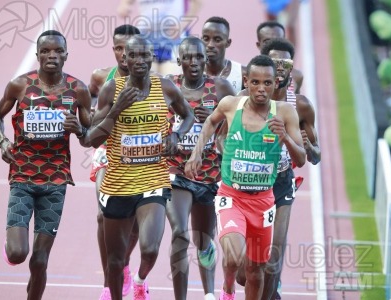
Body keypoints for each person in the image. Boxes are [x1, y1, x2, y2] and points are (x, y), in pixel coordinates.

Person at [78, 35, 195, 300]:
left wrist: (176, 135)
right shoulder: (111, 90)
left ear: (152, 57)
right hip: (118, 183)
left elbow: (188, 114)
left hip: (153, 180)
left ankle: (141, 280)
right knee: (116, 262)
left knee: (150, 248)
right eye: (134, 56)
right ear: (125, 59)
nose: (140, 61)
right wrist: (116, 109)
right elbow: (91, 139)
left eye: (145, 55)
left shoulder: (165, 87)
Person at [185, 55, 306, 300]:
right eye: (255, 82)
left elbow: (301, 158)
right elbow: (210, 122)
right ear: (246, 81)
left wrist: (286, 139)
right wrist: (196, 154)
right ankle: (228, 290)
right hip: (232, 197)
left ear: (276, 83)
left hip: (263, 202)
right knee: (234, 256)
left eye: (267, 83)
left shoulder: (285, 112)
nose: (261, 89)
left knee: (255, 271)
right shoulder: (231, 104)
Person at [0, 30, 91, 300]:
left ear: (66, 55)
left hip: (56, 179)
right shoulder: (20, 85)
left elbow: (90, 137)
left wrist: (79, 129)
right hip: (22, 175)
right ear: (37, 55)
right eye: (45, 51)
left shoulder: (78, 89)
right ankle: (12, 243)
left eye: (58, 51)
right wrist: (2, 143)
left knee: (41, 260)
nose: (52, 56)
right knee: (18, 254)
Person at [237, 38, 321, 300]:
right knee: (245, 271)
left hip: (281, 183)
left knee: (274, 258)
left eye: (286, 63)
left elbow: (316, 156)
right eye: (275, 62)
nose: (281, 67)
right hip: (247, 183)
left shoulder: (302, 105)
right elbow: (223, 137)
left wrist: (307, 146)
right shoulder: (242, 100)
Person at [165, 36, 235, 300]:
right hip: (176, 172)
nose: (193, 63)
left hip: (209, 175)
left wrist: (216, 122)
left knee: (204, 241)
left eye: (198, 57)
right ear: (179, 60)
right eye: (188, 57)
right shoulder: (169, 87)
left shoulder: (220, 88)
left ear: (206, 60)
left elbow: (237, 124)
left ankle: (209, 294)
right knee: (180, 234)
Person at [88, 24, 140, 300]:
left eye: (128, 49)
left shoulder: (151, 80)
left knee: (136, 223)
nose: (123, 54)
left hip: (141, 156)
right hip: (108, 152)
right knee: (102, 215)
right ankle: (110, 281)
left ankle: (124, 263)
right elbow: (87, 107)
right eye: (118, 48)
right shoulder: (100, 78)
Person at [117, 0, 203, 76]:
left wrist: (182, 24)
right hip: (147, 39)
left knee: (169, 78)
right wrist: (124, 5)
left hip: (172, 39)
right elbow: (126, 3)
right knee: (148, 81)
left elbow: (197, 2)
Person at [201, 16, 247, 94]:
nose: (210, 45)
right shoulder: (191, 71)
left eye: (217, 40)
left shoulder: (242, 73)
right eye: (206, 39)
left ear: (228, 43)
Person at [255, 21, 303, 94]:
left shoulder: (296, 76)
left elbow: (297, 102)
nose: (273, 44)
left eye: (277, 40)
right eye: (267, 41)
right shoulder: (249, 75)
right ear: (258, 45)